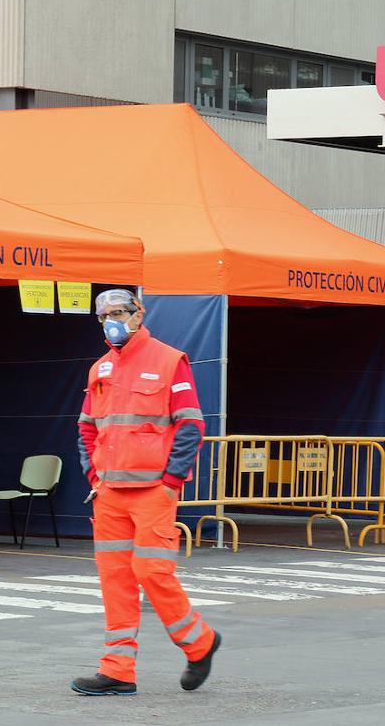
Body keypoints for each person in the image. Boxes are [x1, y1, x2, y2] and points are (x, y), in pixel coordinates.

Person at [70, 289, 221, 696]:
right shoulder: (99, 368)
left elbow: (191, 425)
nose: (111, 321)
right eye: (103, 316)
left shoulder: (169, 360)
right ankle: (118, 670)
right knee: (114, 580)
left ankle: (200, 643)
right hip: (110, 493)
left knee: (152, 572)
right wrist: (94, 477)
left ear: (139, 314)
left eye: (118, 312)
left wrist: (172, 480)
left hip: (153, 489)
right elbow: (86, 427)